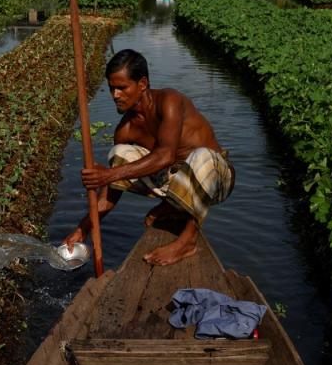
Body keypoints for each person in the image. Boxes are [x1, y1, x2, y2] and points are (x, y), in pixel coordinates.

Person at [63, 49, 234, 266]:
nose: (115, 95)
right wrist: (82, 228)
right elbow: (110, 193)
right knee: (119, 154)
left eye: (122, 88)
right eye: (112, 89)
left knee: (203, 156)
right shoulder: (125, 130)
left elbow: (166, 155)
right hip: (173, 181)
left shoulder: (170, 101)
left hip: (216, 178)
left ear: (142, 84)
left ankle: (187, 240)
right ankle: (173, 206)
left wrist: (108, 175)